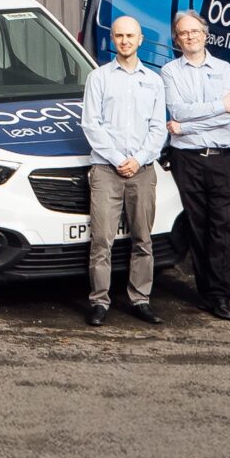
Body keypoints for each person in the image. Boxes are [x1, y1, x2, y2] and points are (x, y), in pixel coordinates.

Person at [80, 16, 168, 326]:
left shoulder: (154, 80)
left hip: (142, 170)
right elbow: (91, 124)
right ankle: (99, 301)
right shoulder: (99, 78)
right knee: (102, 240)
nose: (125, 41)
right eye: (119, 36)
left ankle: (140, 299)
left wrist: (140, 158)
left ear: (141, 39)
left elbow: (159, 128)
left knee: (143, 239)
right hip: (107, 168)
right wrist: (119, 158)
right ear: (113, 39)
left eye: (130, 35)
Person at [161, 11, 230, 320]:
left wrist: (186, 127)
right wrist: (215, 107)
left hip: (222, 158)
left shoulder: (224, 69)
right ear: (177, 38)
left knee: (225, 228)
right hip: (188, 160)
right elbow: (178, 110)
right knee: (198, 226)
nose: (190, 36)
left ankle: (222, 295)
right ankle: (206, 293)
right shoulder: (169, 71)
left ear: (205, 34)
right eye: (184, 33)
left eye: (195, 31)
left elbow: (229, 115)